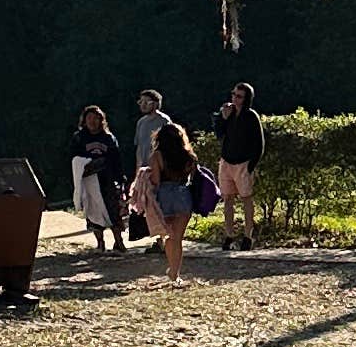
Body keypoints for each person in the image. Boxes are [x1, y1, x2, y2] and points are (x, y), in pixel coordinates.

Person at [136, 114, 204, 282]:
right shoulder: (189, 156)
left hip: (164, 196)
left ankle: (172, 269)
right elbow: (194, 176)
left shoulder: (157, 156)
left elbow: (156, 181)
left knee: (168, 236)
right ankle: (176, 271)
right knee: (178, 238)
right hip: (183, 195)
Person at [212, 82, 265, 247]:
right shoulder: (229, 113)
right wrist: (223, 118)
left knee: (246, 199)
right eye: (233, 94)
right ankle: (229, 235)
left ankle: (248, 236)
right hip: (227, 161)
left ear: (246, 99)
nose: (234, 98)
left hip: (244, 163)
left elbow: (259, 143)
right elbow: (219, 135)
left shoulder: (251, 116)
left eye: (239, 96)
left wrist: (251, 166)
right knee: (227, 199)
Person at [71, 106, 129, 254]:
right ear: (84, 120)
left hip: (107, 180)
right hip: (89, 180)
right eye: (89, 118)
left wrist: (120, 179)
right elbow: (72, 159)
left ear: (101, 120)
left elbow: (116, 159)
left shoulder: (108, 138)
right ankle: (100, 243)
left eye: (96, 118)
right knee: (93, 212)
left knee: (113, 211)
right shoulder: (79, 138)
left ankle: (119, 242)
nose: (92, 121)